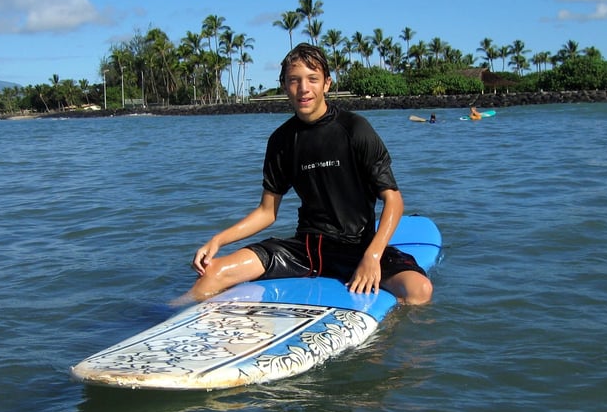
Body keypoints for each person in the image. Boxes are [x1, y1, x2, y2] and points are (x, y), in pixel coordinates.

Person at [179, 43, 433, 306]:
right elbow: (267, 212)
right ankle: (167, 318)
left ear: (327, 84)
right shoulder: (281, 140)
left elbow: (394, 200)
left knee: (419, 289)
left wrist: (372, 257)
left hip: (357, 249)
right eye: (294, 80)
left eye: (313, 79)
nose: (303, 89)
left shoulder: (355, 129)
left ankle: (383, 336)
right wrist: (217, 240)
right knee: (213, 274)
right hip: (305, 250)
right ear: (284, 85)